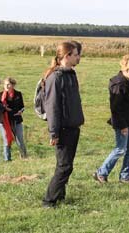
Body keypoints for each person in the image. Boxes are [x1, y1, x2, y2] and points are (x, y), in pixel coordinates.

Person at [42, 41, 84, 208]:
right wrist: (54, 133)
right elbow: (52, 107)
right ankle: (49, 201)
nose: (78, 57)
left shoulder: (71, 74)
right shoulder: (55, 77)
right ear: (67, 56)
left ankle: (60, 196)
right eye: (76, 54)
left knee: (67, 165)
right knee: (64, 166)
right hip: (63, 129)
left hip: (73, 126)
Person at [93, 55, 129, 183]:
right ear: (126, 69)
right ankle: (101, 173)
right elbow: (116, 108)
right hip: (122, 123)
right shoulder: (119, 83)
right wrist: (123, 125)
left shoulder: (128, 81)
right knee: (120, 149)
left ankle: (125, 176)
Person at [0, 77, 28, 161]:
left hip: (17, 119)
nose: (6, 86)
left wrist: (20, 111)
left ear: (13, 85)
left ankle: (24, 156)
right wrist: (5, 109)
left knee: (19, 139)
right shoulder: (0, 95)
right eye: (5, 84)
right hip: (5, 121)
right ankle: (7, 159)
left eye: (8, 84)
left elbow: (22, 107)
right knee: (7, 139)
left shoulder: (18, 94)